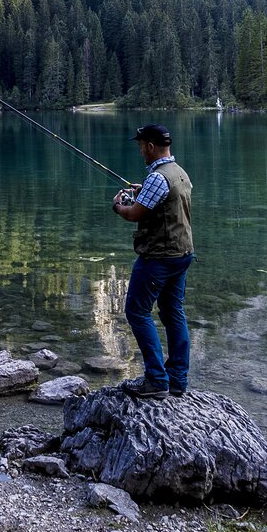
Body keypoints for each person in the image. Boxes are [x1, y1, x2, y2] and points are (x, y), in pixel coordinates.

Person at [110, 124, 195, 399]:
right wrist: (143, 190)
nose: (140, 151)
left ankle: (156, 380)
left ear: (150, 146)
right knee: (173, 313)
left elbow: (134, 214)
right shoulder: (179, 172)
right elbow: (165, 202)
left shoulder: (158, 178)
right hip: (182, 253)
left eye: (141, 146)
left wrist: (117, 206)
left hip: (159, 257)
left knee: (137, 312)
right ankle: (177, 380)